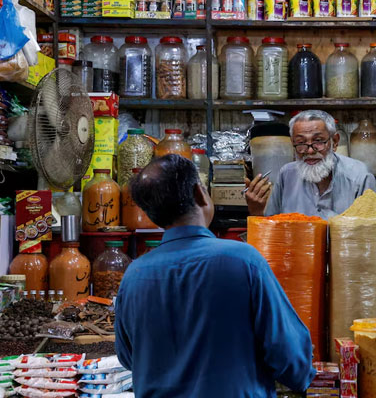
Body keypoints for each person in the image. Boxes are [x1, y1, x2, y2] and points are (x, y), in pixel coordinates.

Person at [115, 154, 315, 397]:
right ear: (200, 194)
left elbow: (128, 357)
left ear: (151, 214)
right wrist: (302, 377)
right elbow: (288, 353)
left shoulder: (134, 274)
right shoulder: (243, 260)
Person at [245, 110, 376, 220]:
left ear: (334, 142)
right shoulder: (286, 174)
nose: (310, 150)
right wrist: (256, 211)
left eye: (318, 141)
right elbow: (272, 230)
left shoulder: (359, 176)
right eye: (300, 142)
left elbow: (367, 234)